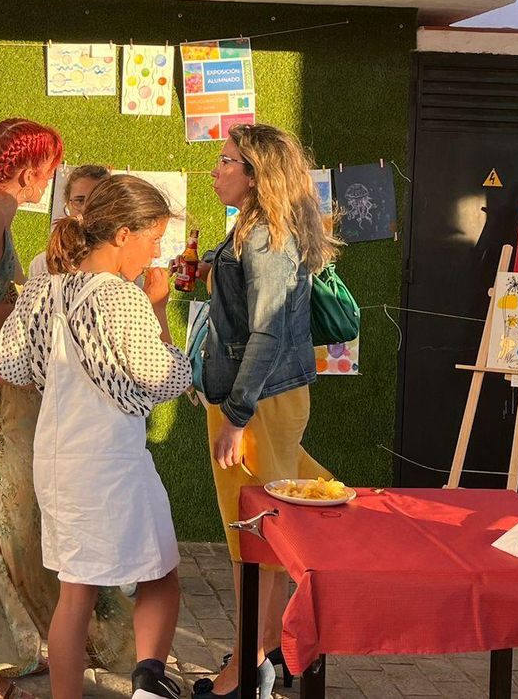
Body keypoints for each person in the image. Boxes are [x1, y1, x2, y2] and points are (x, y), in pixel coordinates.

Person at [0, 119, 129, 699]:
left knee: (7, 530)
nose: (53, 180)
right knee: (1, 531)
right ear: (30, 172)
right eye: (52, 170)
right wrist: (44, 304)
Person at [0, 175, 193, 699]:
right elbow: (166, 379)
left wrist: (61, 367)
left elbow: (8, 364)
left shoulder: (42, 288)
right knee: (160, 573)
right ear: (124, 234)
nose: (155, 253)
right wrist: (158, 307)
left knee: (74, 593)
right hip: (111, 459)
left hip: (56, 457)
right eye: (153, 239)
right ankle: (149, 684)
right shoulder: (122, 300)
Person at [195, 123, 340, 699]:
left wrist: (235, 414)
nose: (216, 169)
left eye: (227, 161)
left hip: (255, 402)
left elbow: (269, 333)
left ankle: (248, 666)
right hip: (253, 399)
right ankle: (261, 652)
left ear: (256, 176)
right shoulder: (255, 232)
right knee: (259, 529)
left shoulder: (262, 238)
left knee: (253, 537)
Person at [28, 165, 111, 278]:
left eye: (96, 200)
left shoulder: (121, 263)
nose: (86, 208)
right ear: (68, 204)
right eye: (79, 200)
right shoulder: (42, 264)